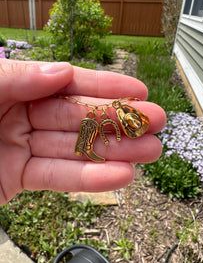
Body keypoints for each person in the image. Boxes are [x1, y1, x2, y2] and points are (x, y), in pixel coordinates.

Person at [0, 59, 166, 205]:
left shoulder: (123, 112)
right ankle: (85, 147)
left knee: (91, 122)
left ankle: (85, 147)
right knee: (89, 123)